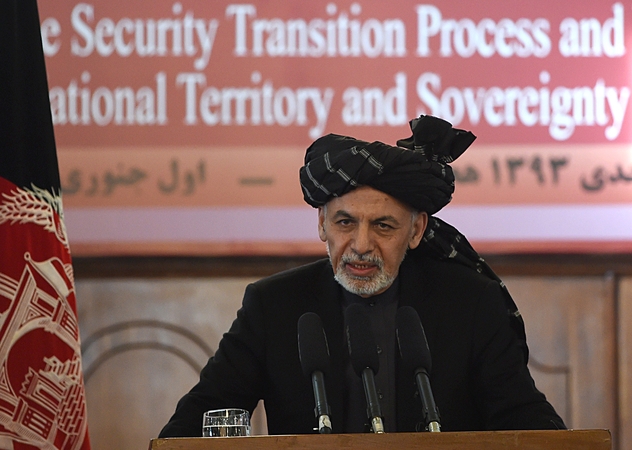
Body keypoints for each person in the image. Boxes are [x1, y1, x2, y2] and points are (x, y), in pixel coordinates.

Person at [159, 115, 565, 437]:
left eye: (383, 226)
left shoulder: (469, 303)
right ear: (322, 224)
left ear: (417, 230)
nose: (361, 245)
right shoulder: (274, 306)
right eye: (345, 223)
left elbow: (527, 422)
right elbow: (193, 425)